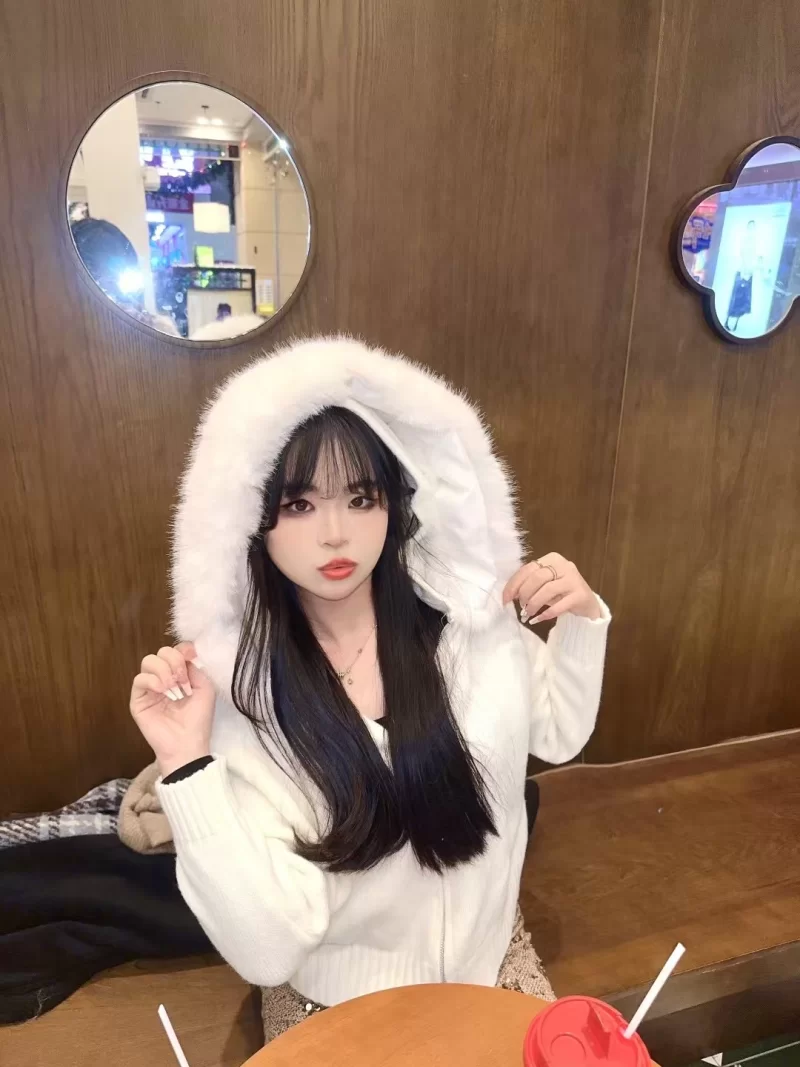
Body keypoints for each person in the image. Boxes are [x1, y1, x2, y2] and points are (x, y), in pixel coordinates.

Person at [129, 337, 610, 1042]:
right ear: (253, 520)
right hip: (335, 1005)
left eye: (361, 498)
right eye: (299, 504)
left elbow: (560, 733)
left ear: (395, 503)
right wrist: (185, 765)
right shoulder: (243, 694)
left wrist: (582, 621)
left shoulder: (469, 620)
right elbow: (266, 950)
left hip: (491, 965)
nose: (335, 534)